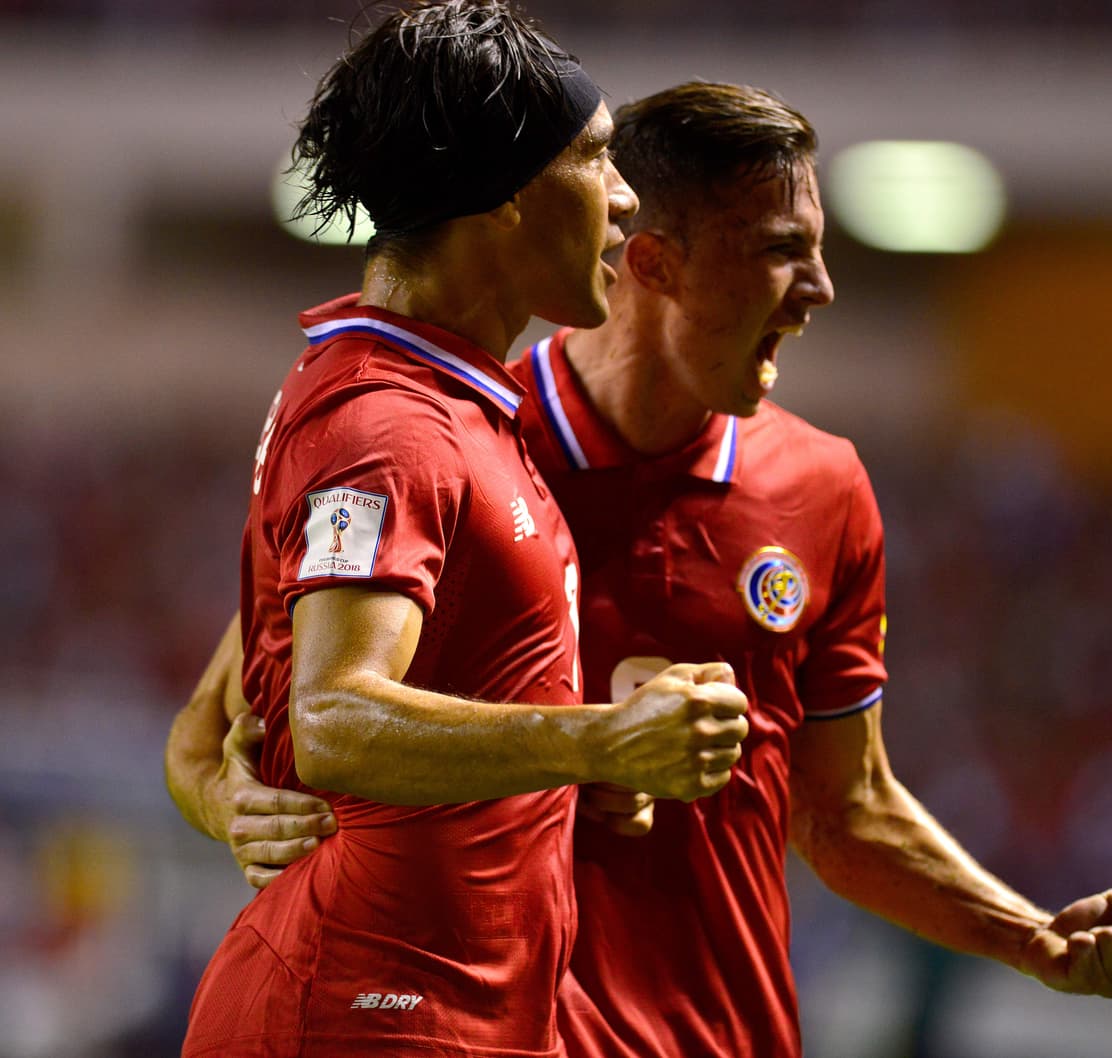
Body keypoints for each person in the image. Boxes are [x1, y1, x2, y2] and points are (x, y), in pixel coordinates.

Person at [168, 81, 1112, 1057]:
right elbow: (229, 722)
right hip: (481, 1023)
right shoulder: (452, 440)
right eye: (782, 252)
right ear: (651, 262)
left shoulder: (822, 489)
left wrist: (1028, 936)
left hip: (732, 1029)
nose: (818, 292)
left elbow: (845, 805)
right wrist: (236, 805)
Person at [173, 9, 751, 1057]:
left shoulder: (447, 402)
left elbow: (211, 717)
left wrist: (583, 767)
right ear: (505, 198)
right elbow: (333, 717)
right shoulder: (383, 425)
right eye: (594, 157)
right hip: (361, 1014)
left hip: (441, 1014)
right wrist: (596, 741)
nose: (624, 198)